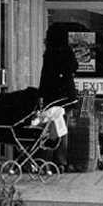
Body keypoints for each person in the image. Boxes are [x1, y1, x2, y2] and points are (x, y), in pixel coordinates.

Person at [38, 24, 80, 169]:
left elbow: (46, 75)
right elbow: (75, 67)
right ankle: (61, 161)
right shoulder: (68, 51)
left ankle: (49, 158)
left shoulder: (50, 53)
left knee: (50, 126)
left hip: (52, 94)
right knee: (62, 126)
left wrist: (41, 94)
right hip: (67, 95)